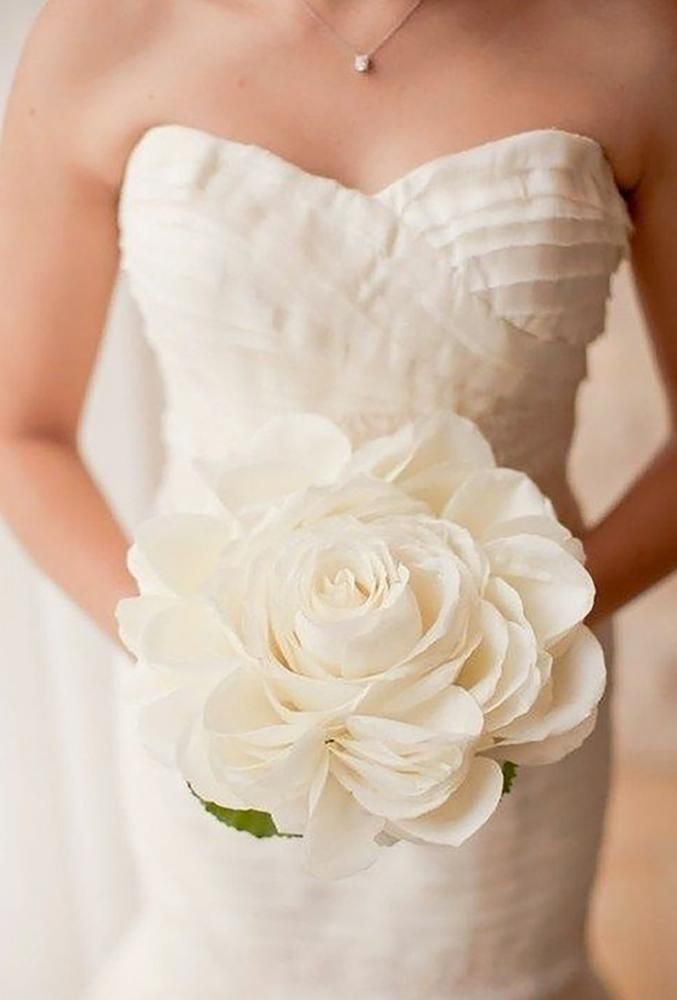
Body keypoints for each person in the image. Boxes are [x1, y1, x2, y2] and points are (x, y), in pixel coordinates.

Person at [0, 1, 676, 997]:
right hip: (220, 722)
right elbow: (25, 432)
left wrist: (510, 655)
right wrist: (207, 662)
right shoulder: (100, 32)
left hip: (513, 722)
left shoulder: (632, 35)